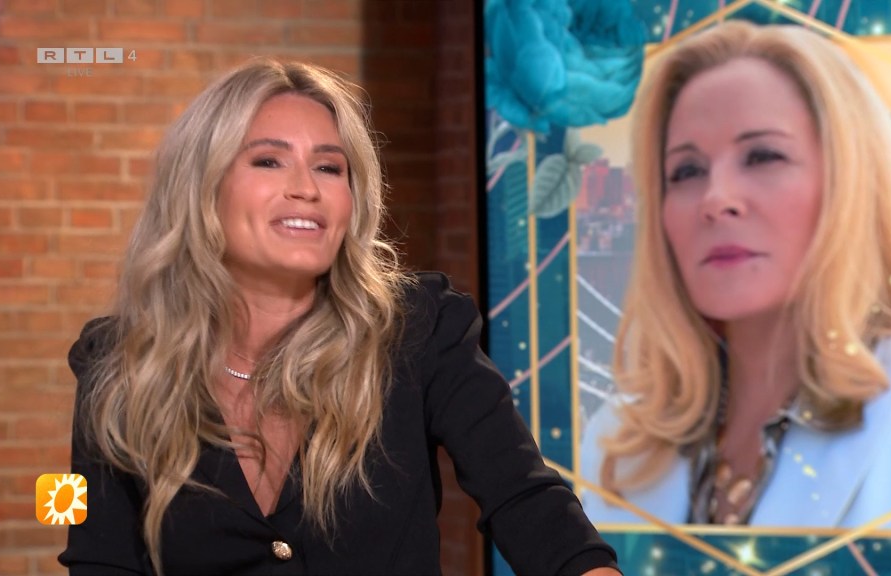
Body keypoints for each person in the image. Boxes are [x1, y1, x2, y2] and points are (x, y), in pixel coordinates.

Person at [59, 59, 621, 575]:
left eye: (329, 167)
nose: (306, 189)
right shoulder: (114, 362)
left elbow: (526, 497)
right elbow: (94, 557)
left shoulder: (421, 329)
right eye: (269, 160)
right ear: (202, 188)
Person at [581, 20, 891, 531]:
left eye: (762, 156)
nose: (716, 199)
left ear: (849, 183)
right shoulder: (616, 442)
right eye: (686, 171)